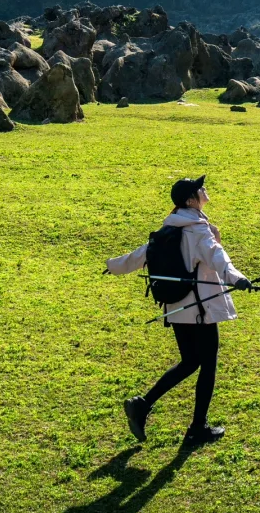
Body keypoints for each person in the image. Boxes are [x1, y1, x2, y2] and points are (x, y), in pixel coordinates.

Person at [105, 175, 251, 446]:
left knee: (190, 361)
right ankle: (198, 428)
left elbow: (141, 255)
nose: (204, 190)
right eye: (199, 189)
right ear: (190, 200)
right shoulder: (197, 230)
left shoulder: (169, 228)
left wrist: (113, 265)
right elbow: (218, 257)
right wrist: (236, 278)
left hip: (176, 307)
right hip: (200, 308)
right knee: (207, 364)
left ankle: (142, 404)